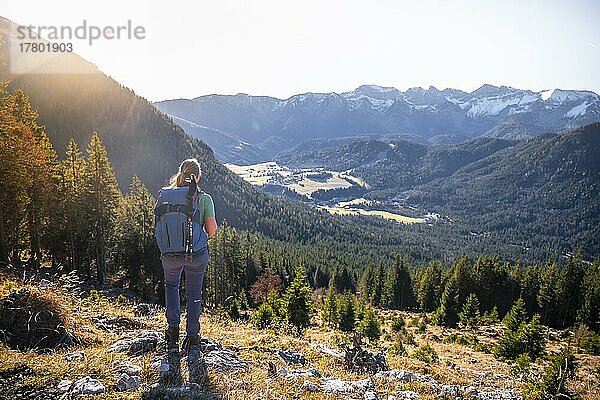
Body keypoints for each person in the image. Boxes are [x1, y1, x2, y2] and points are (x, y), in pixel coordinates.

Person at [158, 158, 217, 385]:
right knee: (194, 293)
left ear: (181, 174)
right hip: (196, 254)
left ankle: (172, 332)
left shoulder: (166, 196)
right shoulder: (204, 199)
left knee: (171, 287)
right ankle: (193, 337)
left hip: (170, 254)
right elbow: (211, 231)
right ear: (198, 176)